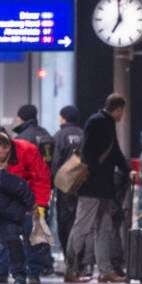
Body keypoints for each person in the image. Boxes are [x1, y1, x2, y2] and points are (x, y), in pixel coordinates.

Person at [66, 93, 129, 283]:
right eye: (122, 111)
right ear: (117, 109)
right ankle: (71, 269)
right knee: (82, 226)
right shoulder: (96, 122)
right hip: (92, 186)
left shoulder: (107, 123)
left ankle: (105, 270)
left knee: (104, 228)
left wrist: (125, 169)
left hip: (103, 186)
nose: (122, 115)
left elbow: (114, 150)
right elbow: (87, 153)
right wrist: (96, 173)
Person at [0, 132, 51, 284]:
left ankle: (34, 272)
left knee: (33, 235)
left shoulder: (28, 150)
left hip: (29, 197)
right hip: (6, 200)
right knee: (7, 235)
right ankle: (2, 271)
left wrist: (40, 205)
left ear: (7, 148)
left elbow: (41, 178)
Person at [51, 105, 84, 256]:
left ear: (63, 117)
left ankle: (68, 256)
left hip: (64, 185)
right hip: (83, 185)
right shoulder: (84, 135)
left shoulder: (59, 136)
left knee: (64, 220)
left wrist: (52, 183)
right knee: (81, 220)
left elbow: (55, 162)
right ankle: (80, 257)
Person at [14, 103, 55, 169]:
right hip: (45, 176)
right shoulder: (45, 133)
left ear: (20, 118)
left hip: (28, 177)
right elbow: (49, 159)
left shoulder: (20, 138)